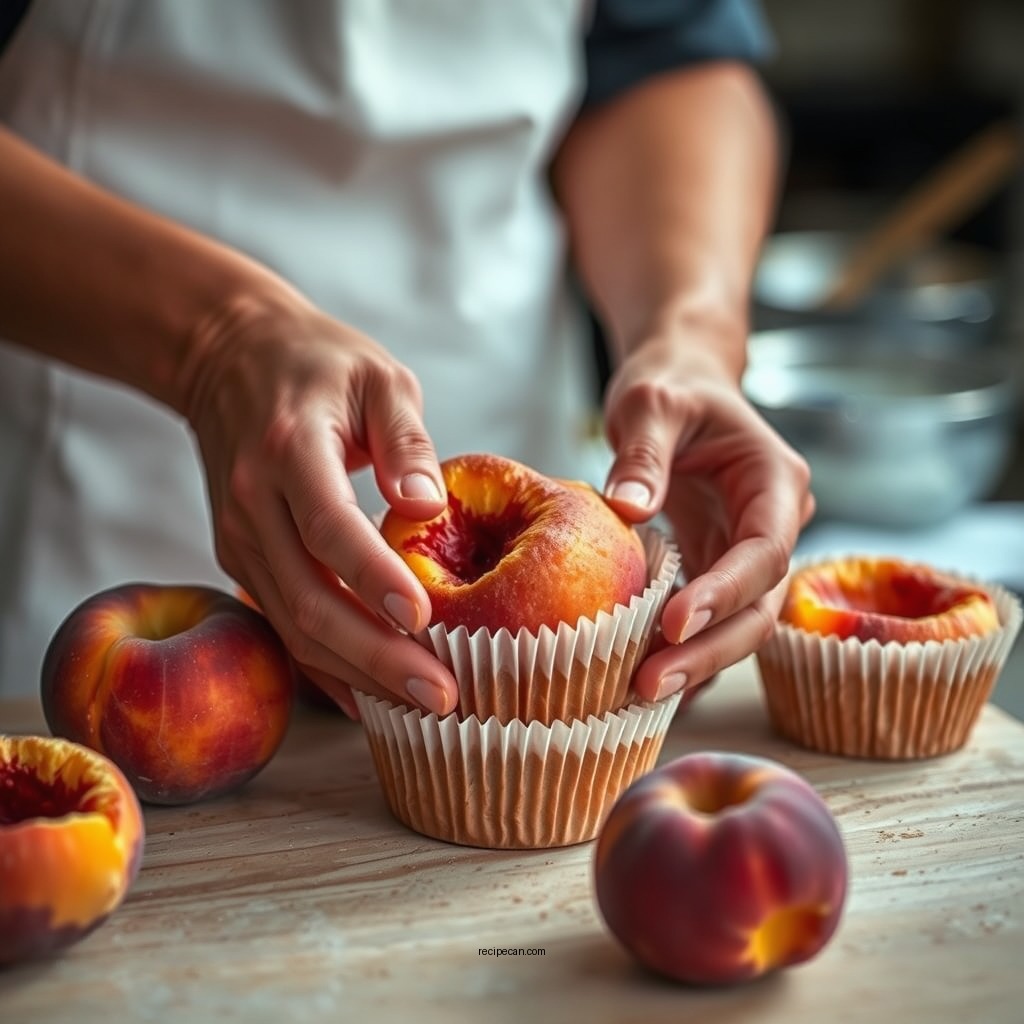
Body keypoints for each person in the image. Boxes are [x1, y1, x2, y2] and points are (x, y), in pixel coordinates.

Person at [0, 0, 812, 716]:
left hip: (530, 510)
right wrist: (212, 342)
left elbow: (664, 59)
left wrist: (689, 332)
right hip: (112, 493)